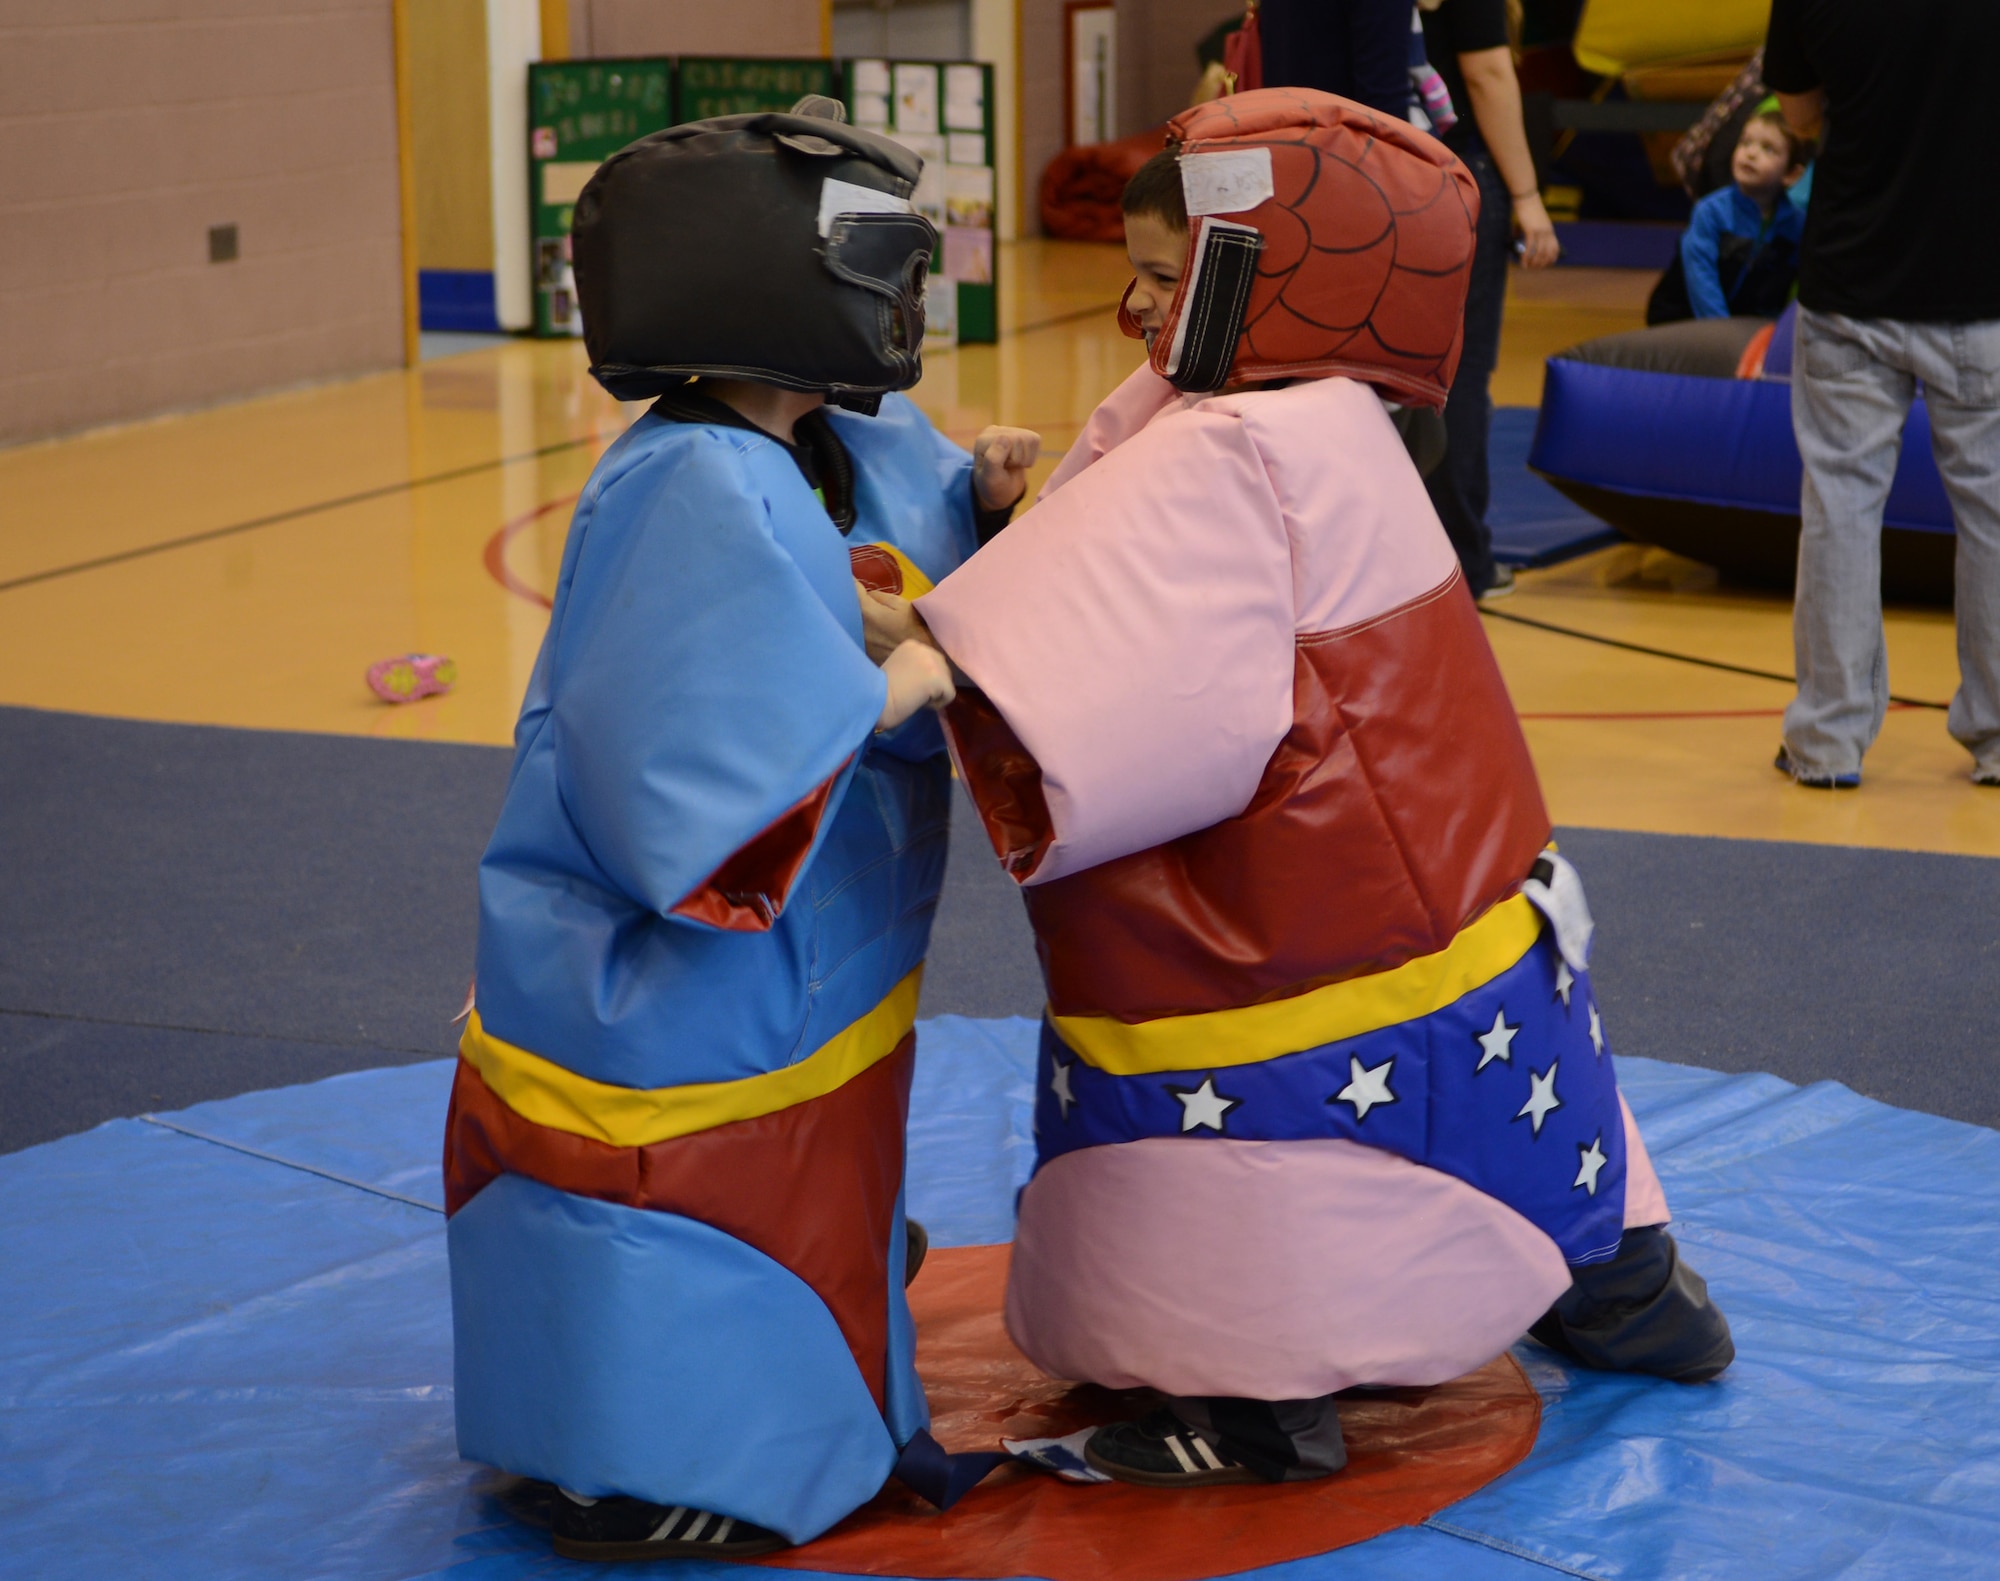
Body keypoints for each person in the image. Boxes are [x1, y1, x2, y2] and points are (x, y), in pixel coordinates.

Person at [872, 89, 1732, 1488]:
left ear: (1249, 275)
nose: (1134, 313)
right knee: (1526, 1088)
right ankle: (1631, 1289)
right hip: (1462, 864)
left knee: (1283, 1111)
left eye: (1164, 277)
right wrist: (998, 528)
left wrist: (931, 639)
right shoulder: (1332, 415)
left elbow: (1104, 631)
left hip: (1302, 901)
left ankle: (1252, 1395)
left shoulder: (1234, 443)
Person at [442, 98, 1037, 1562]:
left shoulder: (842, 433)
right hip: (682, 986)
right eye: (877, 262)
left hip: (808, 966)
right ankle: (636, 1453)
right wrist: (890, 679)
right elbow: (680, 785)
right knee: (689, 1194)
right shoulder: (693, 479)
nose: (904, 297)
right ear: (760, 282)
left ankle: (770, 1391)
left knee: (805, 1167)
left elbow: (912, 540)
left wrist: (991, 499)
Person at [1763, 0, 2000, 789]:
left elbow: (1797, 114)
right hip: (1980, 287)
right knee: (1993, 518)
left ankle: (1828, 738)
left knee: (1840, 509)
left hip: (1852, 282)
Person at [1418, 0, 1556, 600]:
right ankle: (1462, 563)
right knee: (1458, 376)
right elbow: (1487, 73)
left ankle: (1403, 557)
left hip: (1371, 170)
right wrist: (1526, 195)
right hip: (1456, 171)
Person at [1646, 107, 1809, 326]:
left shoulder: (1797, 224)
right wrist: (1722, 330)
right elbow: (1701, 280)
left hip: (1747, 325)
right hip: (1682, 318)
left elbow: (1798, 286)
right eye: (1745, 142)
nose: (1751, 153)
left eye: (1768, 149)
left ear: (1791, 174)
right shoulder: (1710, 211)